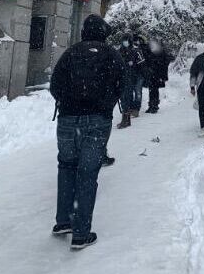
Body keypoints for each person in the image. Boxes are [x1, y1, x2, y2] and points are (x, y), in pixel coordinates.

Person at [50, 14, 125, 251]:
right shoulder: (111, 54)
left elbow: (55, 85)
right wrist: (105, 104)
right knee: (87, 173)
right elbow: (122, 84)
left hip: (67, 120)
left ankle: (63, 221)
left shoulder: (70, 53)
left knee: (66, 167)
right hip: (97, 120)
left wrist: (68, 102)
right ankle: (81, 233)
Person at [117, 33, 146, 129]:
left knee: (129, 97)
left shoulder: (135, 51)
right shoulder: (119, 51)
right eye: (123, 40)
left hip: (133, 77)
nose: (125, 42)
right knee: (124, 98)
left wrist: (140, 75)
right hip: (122, 77)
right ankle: (126, 118)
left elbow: (141, 64)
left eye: (126, 40)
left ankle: (127, 118)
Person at [144, 39, 175, 114]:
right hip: (152, 74)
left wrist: (163, 76)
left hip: (157, 74)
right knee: (152, 90)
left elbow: (165, 63)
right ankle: (152, 105)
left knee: (154, 90)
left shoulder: (161, 52)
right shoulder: (151, 52)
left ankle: (154, 105)